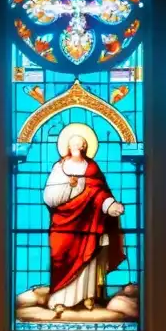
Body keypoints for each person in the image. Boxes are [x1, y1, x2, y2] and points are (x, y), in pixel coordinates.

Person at [44, 132, 125, 316]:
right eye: (73, 144)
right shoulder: (59, 167)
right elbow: (49, 197)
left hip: (89, 222)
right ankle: (59, 299)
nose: (77, 147)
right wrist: (69, 186)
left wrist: (110, 205)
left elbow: (99, 193)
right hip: (63, 223)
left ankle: (87, 297)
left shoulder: (92, 168)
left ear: (85, 147)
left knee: (88, 259)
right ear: (68, 147)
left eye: (81, 144)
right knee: (61, 257)